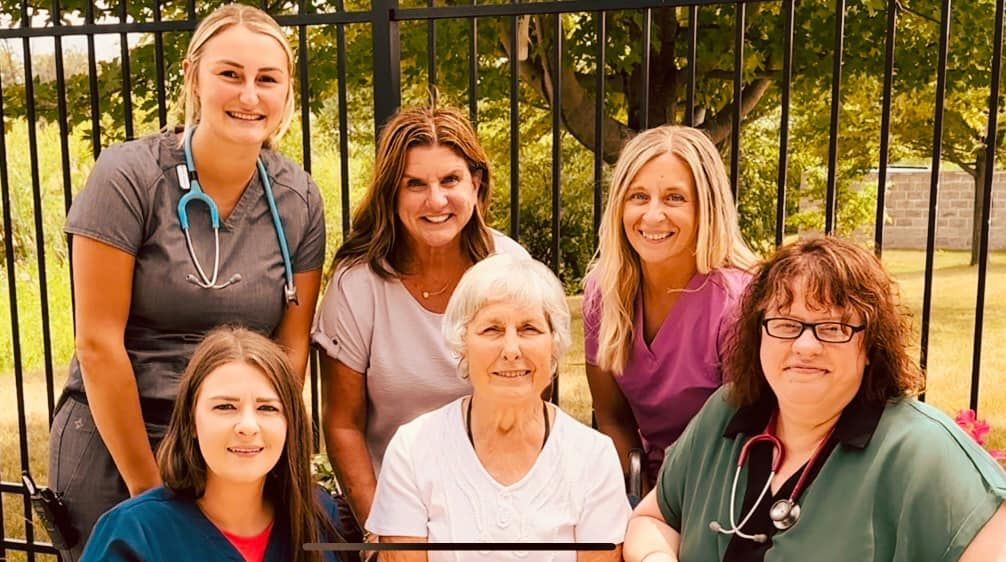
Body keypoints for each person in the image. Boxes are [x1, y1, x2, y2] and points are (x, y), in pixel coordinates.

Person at [48, 5, 325, 559]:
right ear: (194, 76)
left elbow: (290, 349)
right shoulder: (128, 177)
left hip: (234, 441)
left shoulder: (297, 200)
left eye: (267, 79)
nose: (249, 95)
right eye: (230, 74)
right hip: (121, 437)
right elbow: (98, 344)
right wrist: (149, 494)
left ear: (287, 92)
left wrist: (253, 444)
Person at [624, 236, 1006, 562]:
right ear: (760, 333)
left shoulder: (923, 449)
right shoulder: (727, 414)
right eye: (786, 324)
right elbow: (654, 519)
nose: (805, 345)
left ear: (870, 343)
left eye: (833, 327)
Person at [312, 106, 529, 535]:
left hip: (497, 504)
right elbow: (342, 424)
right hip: (389, 503)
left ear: (476, 183)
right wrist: (384, 532)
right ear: (392, 193)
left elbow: (533, 411)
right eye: (415, 184)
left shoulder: (510, 268)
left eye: (450, 180)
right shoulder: (358, 283)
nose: (435, 200)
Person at [366, 253, 631, 561]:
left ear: (553, 344)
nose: (511, 350)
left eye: (529, 329)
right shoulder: (412, 449)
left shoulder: (593, 457)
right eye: (491, 329)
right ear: (462, 343)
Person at [582, 125, 758, 486]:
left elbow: (746, 434)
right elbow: (612, 417)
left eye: (675, 198)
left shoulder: (738, 303)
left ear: (706, 207)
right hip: (641, 483)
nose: (652, 216)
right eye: (639, 197)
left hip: (720, 483)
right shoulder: (605, 290)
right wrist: (639, 495)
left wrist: (666, 510)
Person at [81, 327, 348, 562]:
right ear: (191, 421)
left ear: (290, 424)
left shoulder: (317, 517)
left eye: (267, 408)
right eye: (225, 406)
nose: (247, 426)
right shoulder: (134, 533)